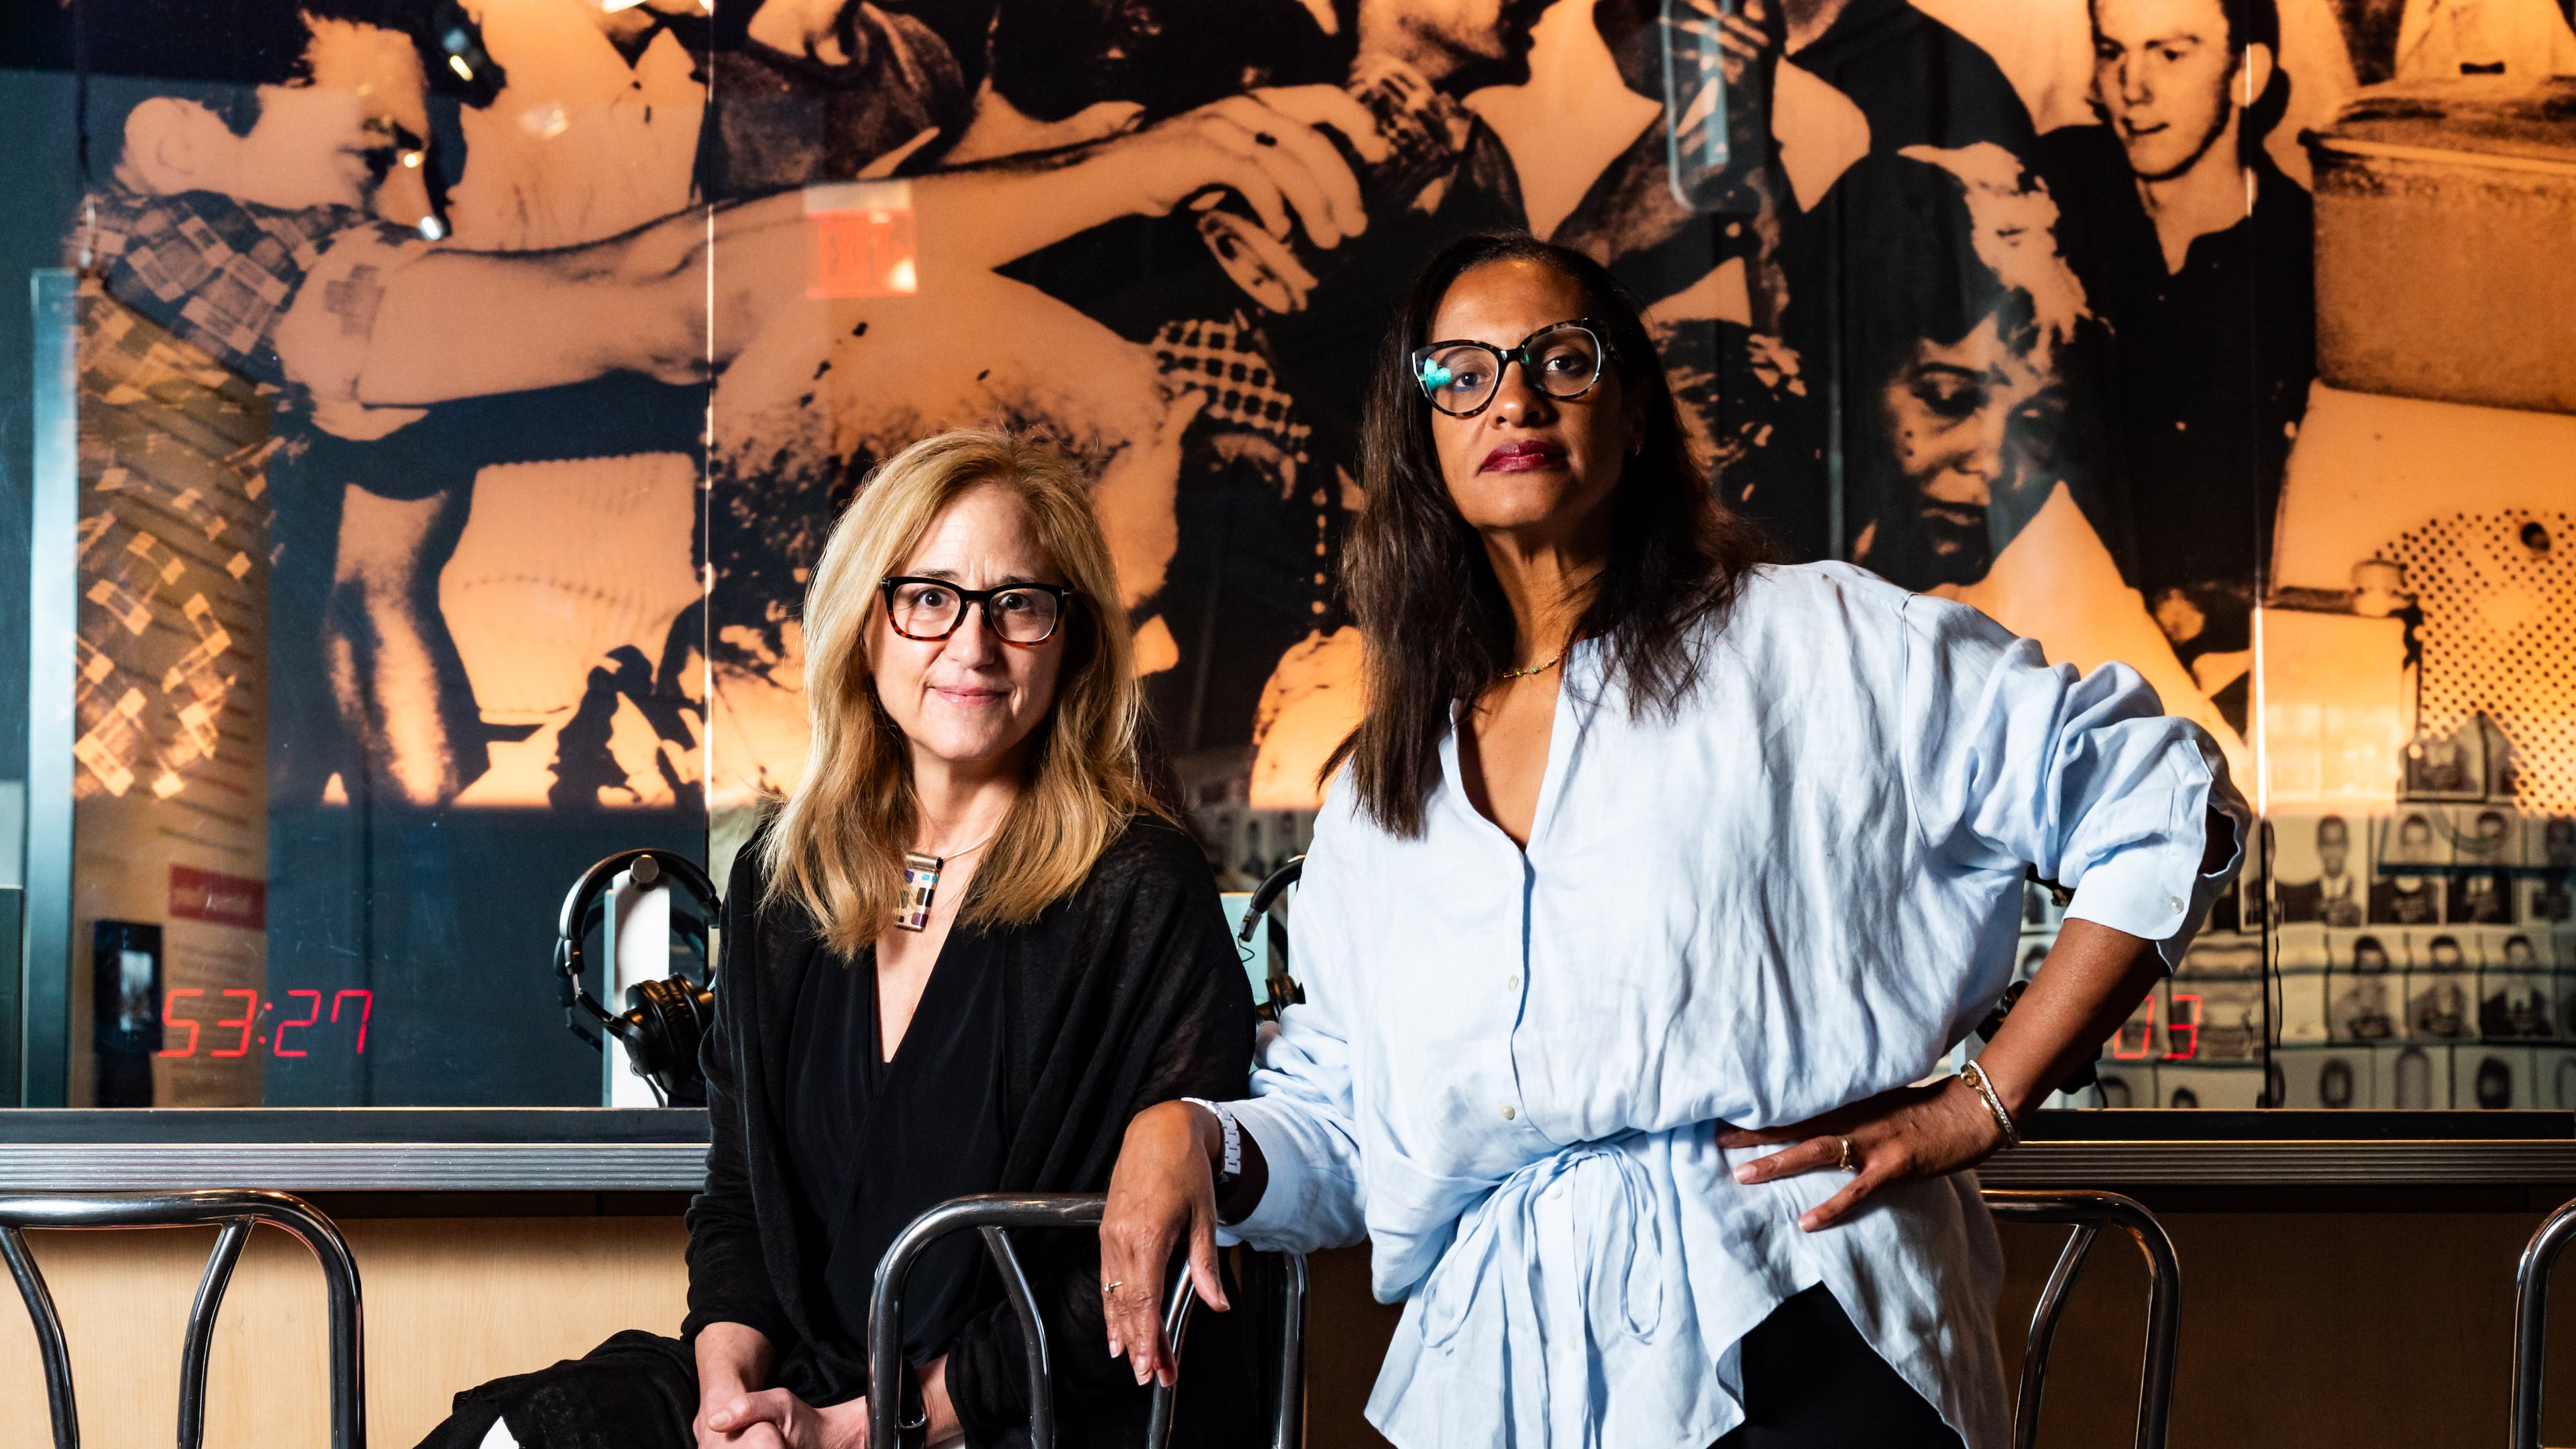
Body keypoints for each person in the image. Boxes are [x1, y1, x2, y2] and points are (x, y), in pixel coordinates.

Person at [1097, 233, 2245, 1446]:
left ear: (1636, 412)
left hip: (1796, 1325)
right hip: (1507, 1382)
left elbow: (2161, 796)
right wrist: (1198, 1135)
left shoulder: (1821, 645)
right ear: (1419, 437)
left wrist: (1987, 1100)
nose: (1517, 398)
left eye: (1562, 359)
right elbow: (1353, 1128)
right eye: (1462, 373)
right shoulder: (1389, 788)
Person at [416, 432, 1256, 1448]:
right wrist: (732, 1400)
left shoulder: (1137, 886)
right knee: (515, 1436)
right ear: (868, 624)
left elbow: (1119, 1282)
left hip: (1011, 1417)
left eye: (1019, 605)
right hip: (802, 1392)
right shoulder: (782, 874)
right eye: (930, 597)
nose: (973, 646)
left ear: (1070, 640)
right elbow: (738, 1201)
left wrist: (866, 1428)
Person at [2032, 0, 2314, 703]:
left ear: (2245, 74)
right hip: (2046, 638)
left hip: (2228, 660)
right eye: (2113, 51)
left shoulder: (2310, 255)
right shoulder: (2045, 197)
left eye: (2170, 53)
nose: (2133, 86)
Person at [2275, 814, 2361, 926]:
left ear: (2347, 846)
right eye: (2327, 844)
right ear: (2319, 847)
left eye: (2338, 843)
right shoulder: (2304, 896)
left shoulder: (2358, 891)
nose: (2332, 851)